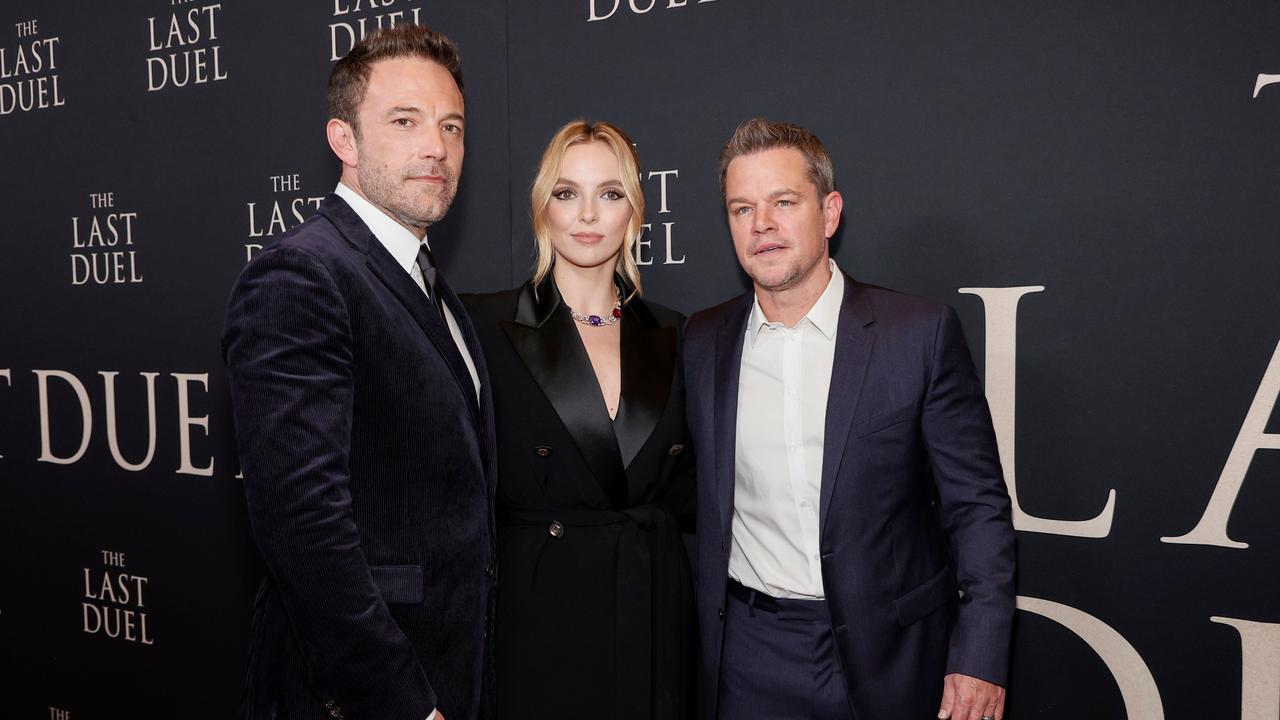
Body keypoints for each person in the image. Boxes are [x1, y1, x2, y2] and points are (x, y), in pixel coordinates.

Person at [683, 118, 1016, 720]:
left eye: (784, 202)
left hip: (887, 654)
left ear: (830, 212)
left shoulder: (916, 335)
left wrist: (980, 656)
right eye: (741, 208)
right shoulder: (703, 341)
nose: (761, 225)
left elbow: (977, 508)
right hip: (746, 656)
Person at [223, 25, 495, 720]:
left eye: (452, 126)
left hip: (443, 670)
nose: (437, 146)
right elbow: (304, 529)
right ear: (344, 140)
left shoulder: (426, 284)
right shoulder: (304, 276)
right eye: (404, 122)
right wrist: (398, 700)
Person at [462, 120, 695, 720]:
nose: (588, 213)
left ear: (634, 213)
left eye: (610, 193)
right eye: (567, 193)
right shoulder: (484, 328)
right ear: (543, 209)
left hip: (649, 621)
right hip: (539, 621)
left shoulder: (675, 332)